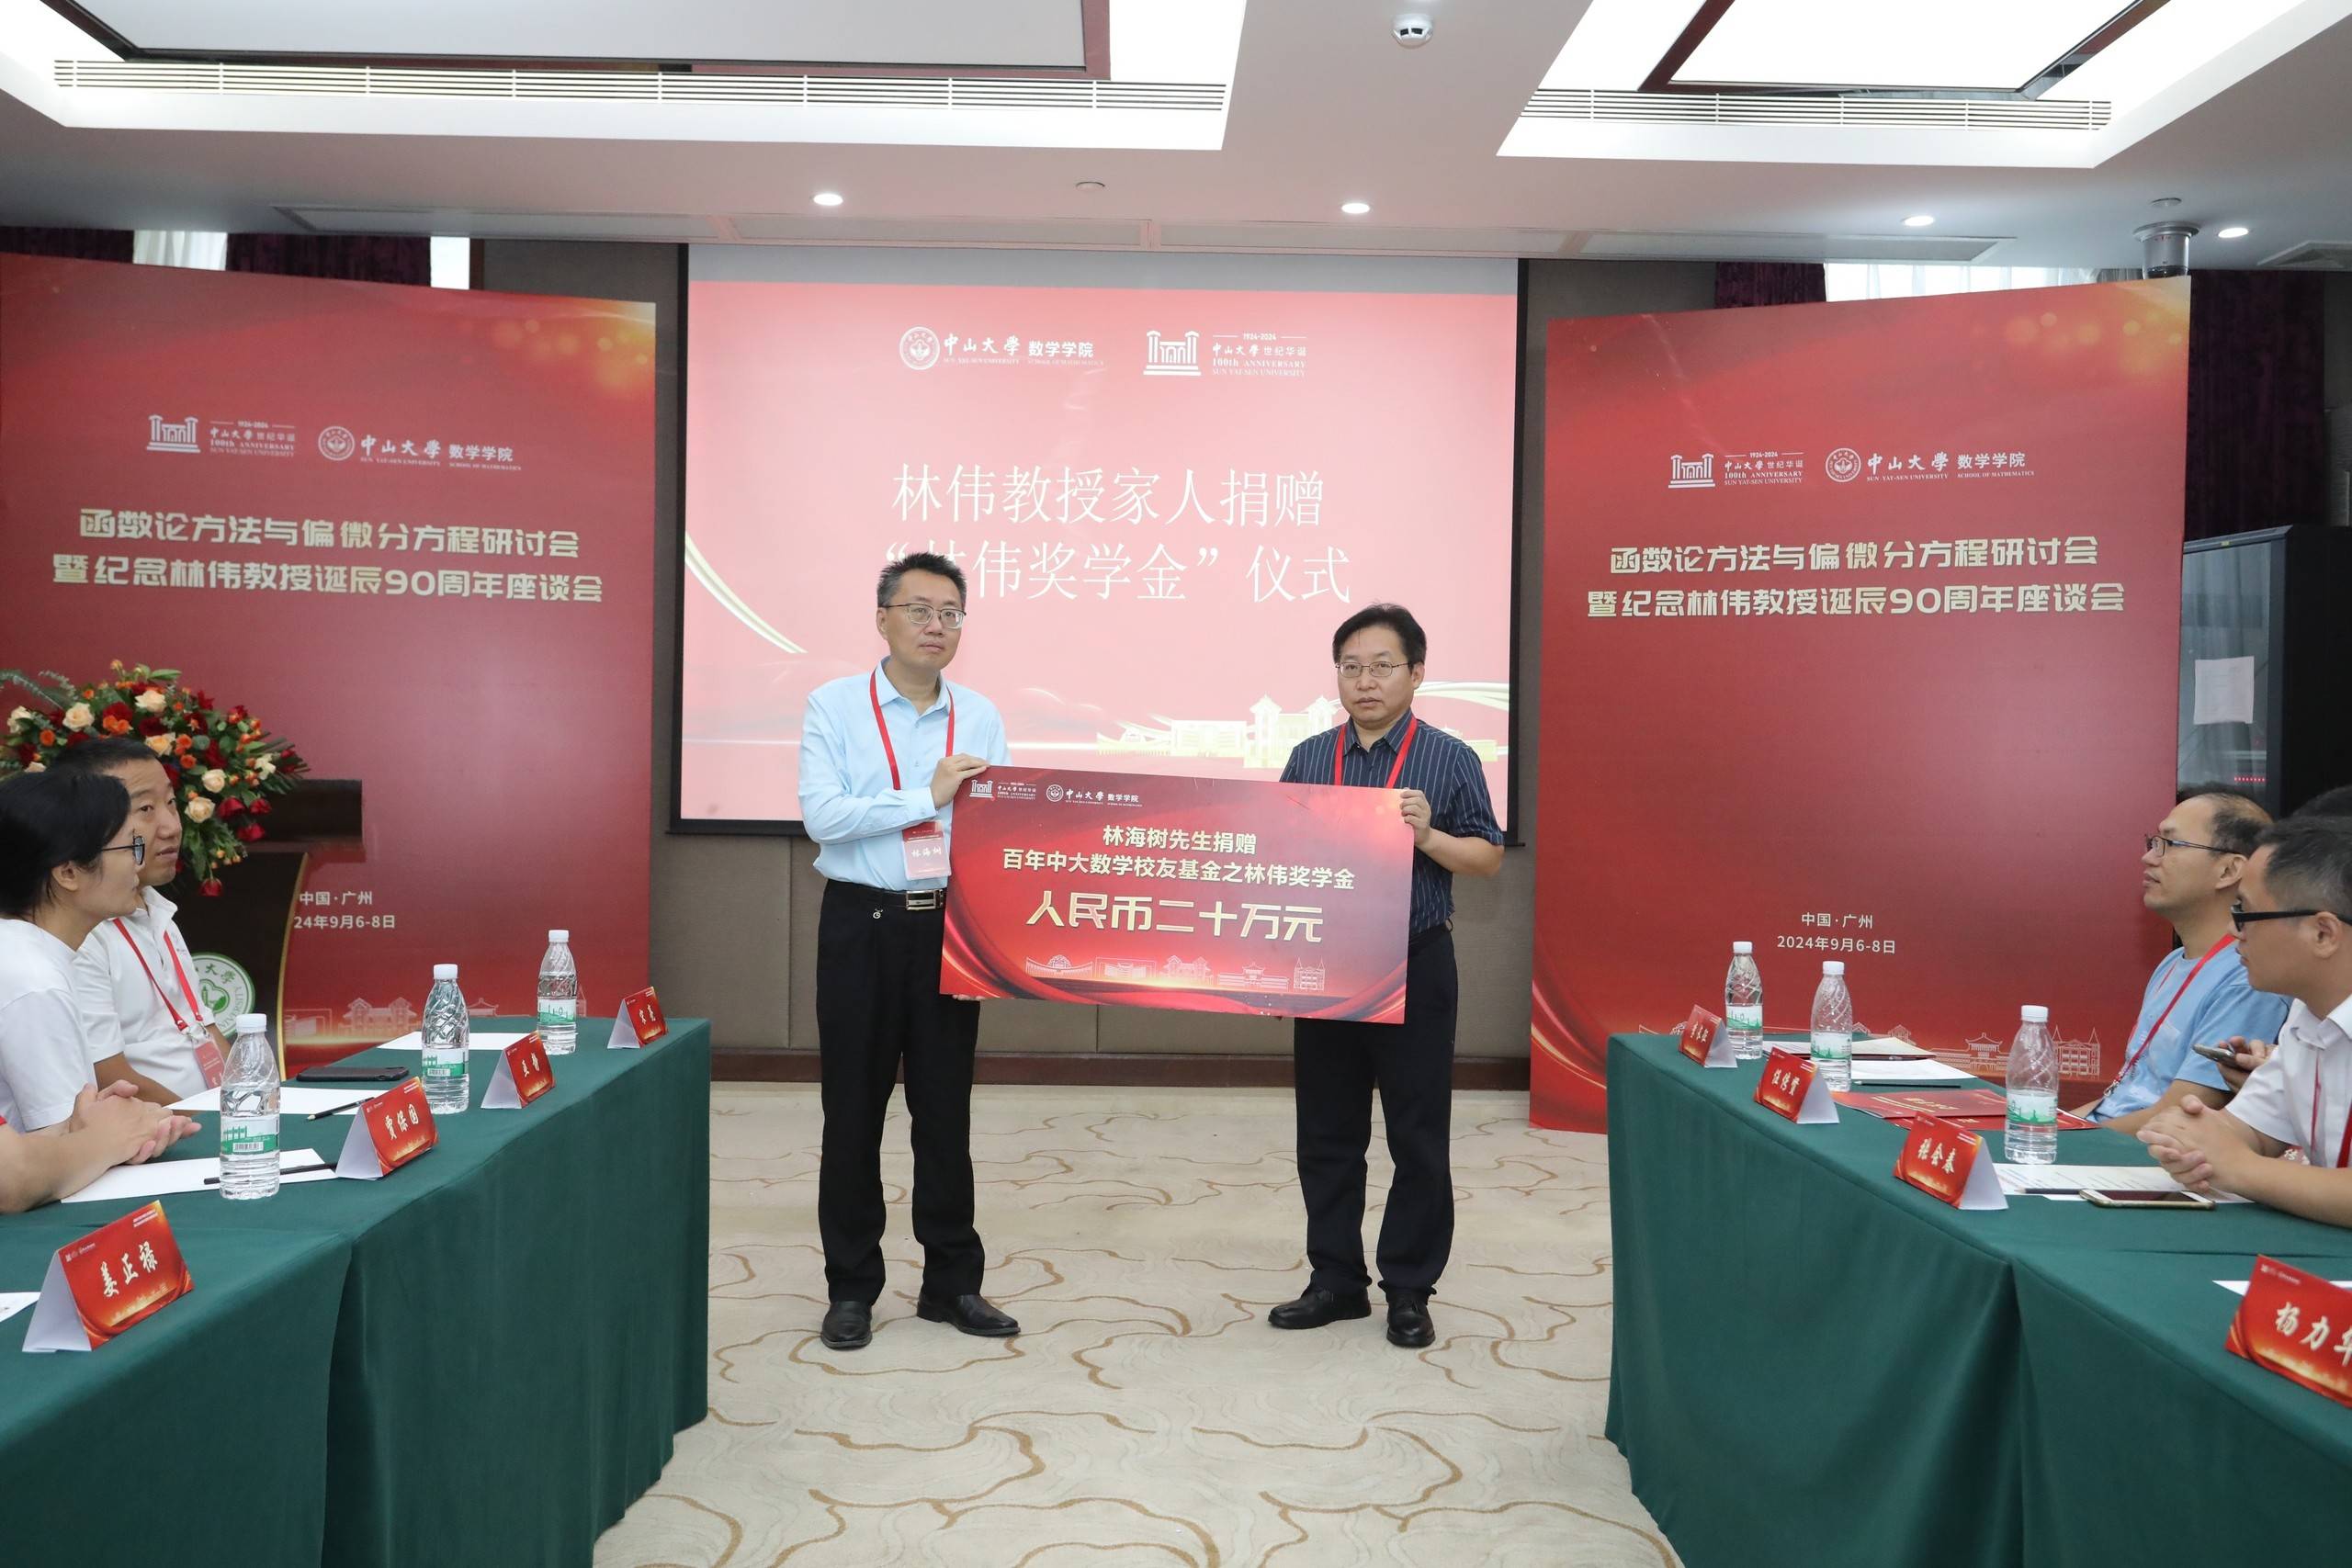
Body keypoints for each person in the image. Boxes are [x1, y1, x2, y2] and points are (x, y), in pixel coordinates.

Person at [1267, 604, 1503, 1349]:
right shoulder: (1309, 757)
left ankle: (1408, 1287)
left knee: (1417, 1134)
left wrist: (1427, 834)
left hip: (1415, 958)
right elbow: (1277, 859)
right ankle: (1335, 1280)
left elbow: (1487, 856)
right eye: (1351, 667)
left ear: (1417, 672)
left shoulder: (1449, 758)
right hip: (1327, 963)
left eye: (1382, 666)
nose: (1365, 681)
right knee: (1327, 1132)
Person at [799, 552, 1014, 1352]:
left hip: (948, 927)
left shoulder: (980, 716)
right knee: (852, 1112)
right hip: (860, 924)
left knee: (945, 1113)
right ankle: (852, 1287)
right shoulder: (834, 706)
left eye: (950, 612)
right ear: (882, 618)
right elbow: (824, 815)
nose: (936, 625)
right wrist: (926, 796)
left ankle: (952, 1284)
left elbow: (1000, 830)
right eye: (919, 609)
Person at [2140, 816, 2352, 1225]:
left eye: (2246, 913)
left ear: (2323, 934)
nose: (2234, 931)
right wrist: (2191, 1138)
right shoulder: (2307, 1015)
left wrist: (2240, 1168)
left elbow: (2239, 1160)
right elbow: (2250, 1131)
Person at [0, 770, 198, 1208]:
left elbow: (73, 1131)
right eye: (131, 847)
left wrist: (114, 1119)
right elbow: (56, 1154)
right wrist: (117, 1132)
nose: (138, 864)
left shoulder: (27, 954)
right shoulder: (32, 980)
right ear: (69, 872)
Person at [2075, 790, 2287, 1134]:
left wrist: (2063, 1142)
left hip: (2144, 1153)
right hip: (2113, 1137)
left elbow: (2179, 1115)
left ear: (2229, 870)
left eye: (2170, 845)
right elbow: (2121, 1097)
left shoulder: (2247, 977)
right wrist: (2048, 1129)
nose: (2148, 857)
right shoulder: (2174, 962)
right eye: (2153, 842)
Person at [50, 737, 229, 1102]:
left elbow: (204, 1029)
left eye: (171, 803)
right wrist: (209, 1124)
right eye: (145, 808)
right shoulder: (81, 934)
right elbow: (107, 1078)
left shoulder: (157, 910)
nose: (171, 827)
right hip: (167, 1130)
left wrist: (255, 1103)